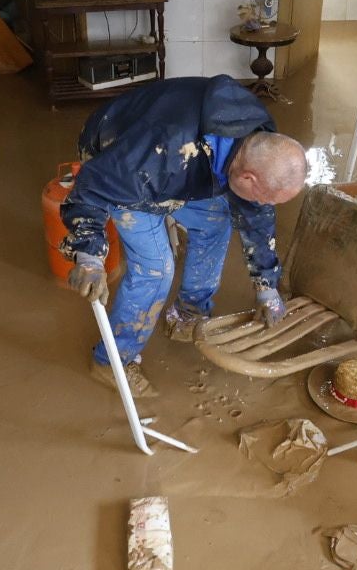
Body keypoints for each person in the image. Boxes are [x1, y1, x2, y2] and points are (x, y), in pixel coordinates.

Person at [60, 75, 308, 397]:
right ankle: (111, 362)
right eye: (263, 196)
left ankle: (188, 312)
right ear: (247, 176)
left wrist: (267, 287)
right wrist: (89, 254)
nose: (262, 205)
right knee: (156, 269)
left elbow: (256, 215)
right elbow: (92, 185)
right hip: (119, 160)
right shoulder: (159, 150)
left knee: (217, 220)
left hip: (185, 168)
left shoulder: (256, 136)